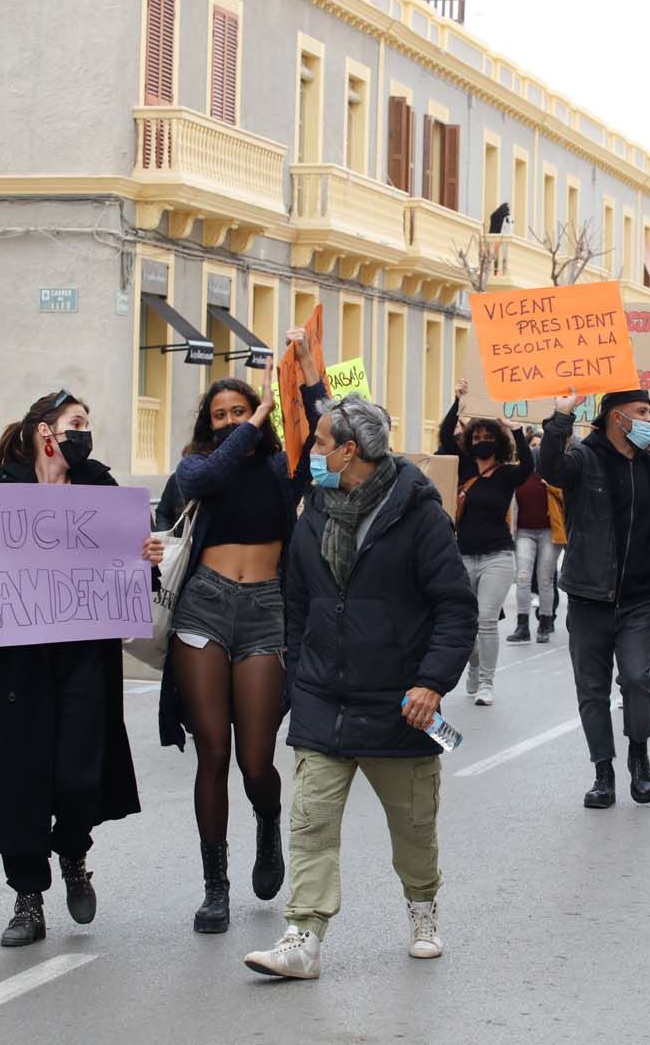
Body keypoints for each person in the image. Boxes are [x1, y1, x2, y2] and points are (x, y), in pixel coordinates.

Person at [243, 394, 475, 980]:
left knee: (414, 827)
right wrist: (299, 672)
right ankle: (304, 936)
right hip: (324, 695)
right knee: (311, 822)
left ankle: (422, 908)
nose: (312, 453)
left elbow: (454, 608)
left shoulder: (420, 515)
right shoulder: (314, 508)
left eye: (321, 443)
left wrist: (431, 683)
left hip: (400, 703)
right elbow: (297, 598)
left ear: (350, 451)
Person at [0, 390, 154, 947]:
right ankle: (28, 897)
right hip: (21, 663)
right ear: (46, 433)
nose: (84, 433)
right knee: (18, 778)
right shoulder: (1, 493)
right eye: (76, 423)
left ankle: (74, 853)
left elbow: (128, 568)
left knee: (80, 774)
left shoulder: (101, 489)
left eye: (88, 425)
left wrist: (145, 560)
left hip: (85, 658)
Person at [161, 331, 325, 934]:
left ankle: (267, 819)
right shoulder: (196, 467)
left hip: (264, 611)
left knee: (256, 760)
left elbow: (328, 431)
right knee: (214, 751)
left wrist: (308, 370)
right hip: (202, 608)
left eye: (241, 409)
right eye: (221, 414)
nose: (232, 421)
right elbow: (200, 485)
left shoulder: (286, 470)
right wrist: (252, 425)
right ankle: (215, 887)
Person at [538, 386, 650, 809]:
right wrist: (561, 416)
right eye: (641, 412)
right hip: (589, 595)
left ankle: (639, 756)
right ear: (616, 417)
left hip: (640, 598)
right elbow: (549, 467)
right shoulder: (583, 460)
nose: (649, 420)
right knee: (592, 689)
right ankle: (602, 773)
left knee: (638, 679)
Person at [437, 383, 533, 706]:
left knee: (487, 619)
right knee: (468, 625)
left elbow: (529, 468)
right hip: (462, 556)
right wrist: (458, 400)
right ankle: (474, 666)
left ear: (497, 441)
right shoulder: (461, 468)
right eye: (475, 438)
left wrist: (517, 431)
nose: (481, 442)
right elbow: (445, 435)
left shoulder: (506, 475)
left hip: (498, 557)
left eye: (486, 437)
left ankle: (488, 684)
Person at [508, 429, 560, 646]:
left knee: (545, 578)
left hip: (549, 532)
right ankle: (522, 624)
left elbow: (567, 497)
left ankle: (545, 623)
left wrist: (553, 489)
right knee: (522, 577)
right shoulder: (518, 476)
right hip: (524, 532)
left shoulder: (554, 476)